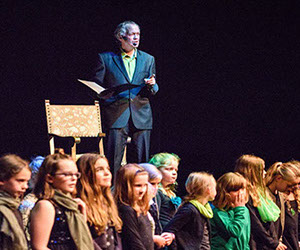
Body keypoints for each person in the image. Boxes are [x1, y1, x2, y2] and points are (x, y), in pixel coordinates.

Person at [92, 20, 159, 176]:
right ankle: (113, 195)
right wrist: (102, 94)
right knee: (113, 161)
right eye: (132, 34)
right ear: (121, 37)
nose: (136, 38)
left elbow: (154, 89)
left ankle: (139, 195)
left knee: (141, 161)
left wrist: (152, 84)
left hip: (141, 114)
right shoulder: (106, 58)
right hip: (116, 114)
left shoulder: (148, 59)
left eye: (138, 34)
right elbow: (96, 86)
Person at [30, 153, 94, 250]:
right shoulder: (46, 205)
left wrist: (82, 214)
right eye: (66, 174)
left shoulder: (71, 204)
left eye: (76, 174)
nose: (73, 178)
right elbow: (39, 246)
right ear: (50, 178)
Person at [234, 154, 286, 250]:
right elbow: (255, 223)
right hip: (254, 244)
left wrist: (275, 241)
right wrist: (272, 242)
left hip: (265, 243)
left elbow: (269, 222)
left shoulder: (258, 192)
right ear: (252, 172)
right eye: (262, 170)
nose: (265, 173)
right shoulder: (245, 194)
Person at [76, 153, 122, 250]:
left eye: (108, 169)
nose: (107, 173)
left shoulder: (107, 201)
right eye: (99, 170)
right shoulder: (80, 204)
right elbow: (85, 238)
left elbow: (116, 237)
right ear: (86, 175)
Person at [163, 172, 217, 250]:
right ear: (208, 190)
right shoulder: (189, 209)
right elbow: (170, 229)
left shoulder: (204, 209)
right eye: (214, 187)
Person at [114, 163, 154, 250]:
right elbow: (134, 242)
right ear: (125, 186)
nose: (142, 190)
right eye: (138, 186)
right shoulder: (126, 209)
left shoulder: (140, 207)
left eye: (145, 185)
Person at [210, 172, 250, 250]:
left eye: (242, 189)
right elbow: (234, 231)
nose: (240, 193)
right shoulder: (219, 212)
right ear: (225, 193)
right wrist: (240, 209)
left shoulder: (244, 210)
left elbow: (245, 237)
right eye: (236, 190)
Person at [0, 154, 31, 249]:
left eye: (27, 182)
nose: (25, 186)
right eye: (20, 181)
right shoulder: (2, 210)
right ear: (2, 180)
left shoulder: (13, 206)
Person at [140, 163, 174, 249]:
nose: (155, 188)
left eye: (157, 184)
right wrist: (154, 238)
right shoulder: (130, 206)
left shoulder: (155, 199)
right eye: (152, 183)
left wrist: (168, 235)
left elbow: (162, 222)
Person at [265, 161, 300, 244]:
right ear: (278, 178)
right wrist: (274, 243)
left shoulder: (280, 196)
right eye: (289, 185)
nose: (291, 189)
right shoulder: (265, 196)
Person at [149, 153, 181, 229]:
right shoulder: (157, 193)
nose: (174, 173)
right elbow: (155, 217)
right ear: (157, 170)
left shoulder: (171, 193)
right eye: (169, 169)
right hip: (162, 231)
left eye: (176, 170)